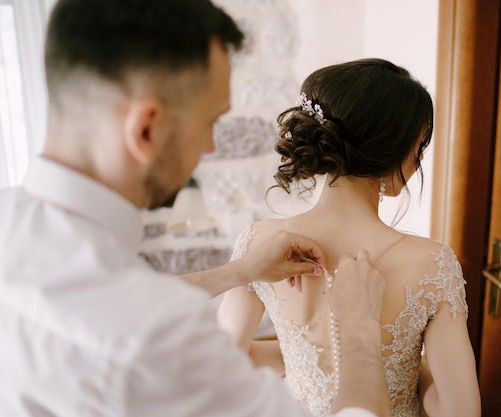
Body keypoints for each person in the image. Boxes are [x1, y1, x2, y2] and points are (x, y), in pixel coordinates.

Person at [0, 1, 392, 416]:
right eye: (210, 122)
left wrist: (239, 272)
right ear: (146, 129)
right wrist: (359, 332)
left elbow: (87, 297)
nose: (211, 146)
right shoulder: (160, 337)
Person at [217, 59, 482, 417]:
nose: (417, 163)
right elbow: (459, 411)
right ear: (393, 150)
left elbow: (225, 362)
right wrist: (406, 371)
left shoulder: (258, 243)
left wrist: (300, 357)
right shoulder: (432, 264)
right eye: (418, 147)